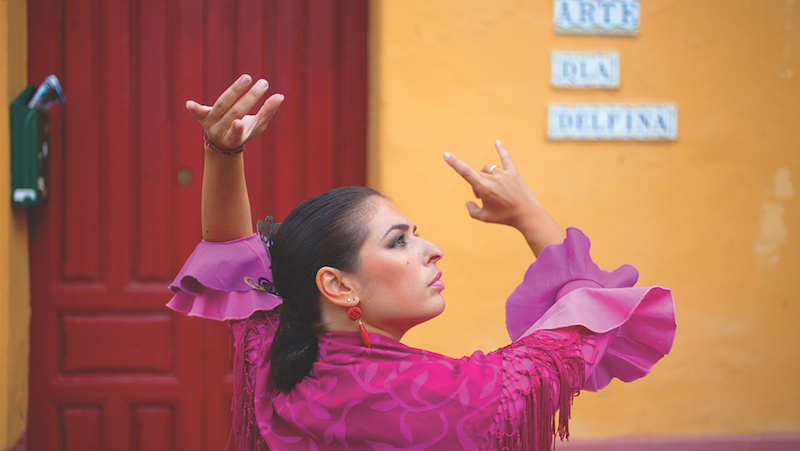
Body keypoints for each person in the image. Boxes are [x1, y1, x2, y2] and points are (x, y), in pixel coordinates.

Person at [167, 75, 676, 451]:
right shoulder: (457, 395)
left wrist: (222, 153)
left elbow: (234, 258)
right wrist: (529, 216)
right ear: (338, 287)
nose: (431, 249)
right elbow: (588, 321)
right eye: (398, 242)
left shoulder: (275, 366)